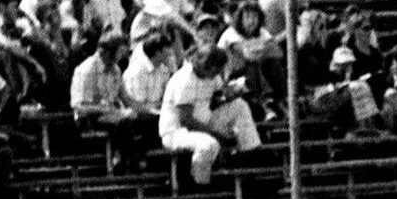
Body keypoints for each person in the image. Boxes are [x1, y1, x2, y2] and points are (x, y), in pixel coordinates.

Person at [159, 47, 262, 186]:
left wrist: (232, 93)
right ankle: (200, 185)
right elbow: (186, 120)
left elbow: (219, 95)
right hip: (177, 132)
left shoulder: (211, 75)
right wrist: (217, 135)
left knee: (239, 105)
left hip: (205, 122)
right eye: (215, 70)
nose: (217, 74)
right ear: (206, 65)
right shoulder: (184, 80)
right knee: (209, 144)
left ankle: (251, 156)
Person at [69, 32, 156, 171]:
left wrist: (150, 111)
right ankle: (128, 164)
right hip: (90, 118)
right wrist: (112, 111)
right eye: (120, 51)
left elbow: (126, 99)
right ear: (108, 52)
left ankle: (147, 162)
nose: (123, 55)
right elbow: (78, 105)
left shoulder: (116, 69)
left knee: (147, 119)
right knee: (124, 122)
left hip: (113, 114)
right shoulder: (87, 69)